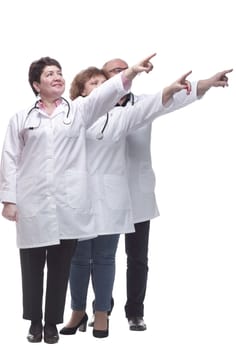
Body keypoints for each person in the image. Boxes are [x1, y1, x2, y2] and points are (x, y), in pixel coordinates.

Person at [60, 66, 233, 337]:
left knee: (127, 257)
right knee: (81, 258)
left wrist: (203, 84)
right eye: (103, 78)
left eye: (116, 75)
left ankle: (129, 312)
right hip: (86, 198)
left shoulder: (130, 110)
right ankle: (87, 310)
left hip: (130, 195)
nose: (116, 77)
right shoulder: (74, 114)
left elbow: (165, 101)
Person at [0, 54, 156, 344]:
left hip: (69, 203)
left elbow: (107, 93)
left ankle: (52, 324)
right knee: (33, 266)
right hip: (33, 202)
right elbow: (9, 158)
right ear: (36, 84)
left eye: (59, 72)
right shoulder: (22, 118)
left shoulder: (77, 112)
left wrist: (131, 72)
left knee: (61, 265)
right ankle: (34, 321)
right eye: (49, 74)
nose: (56, 76)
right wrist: (9, 199)